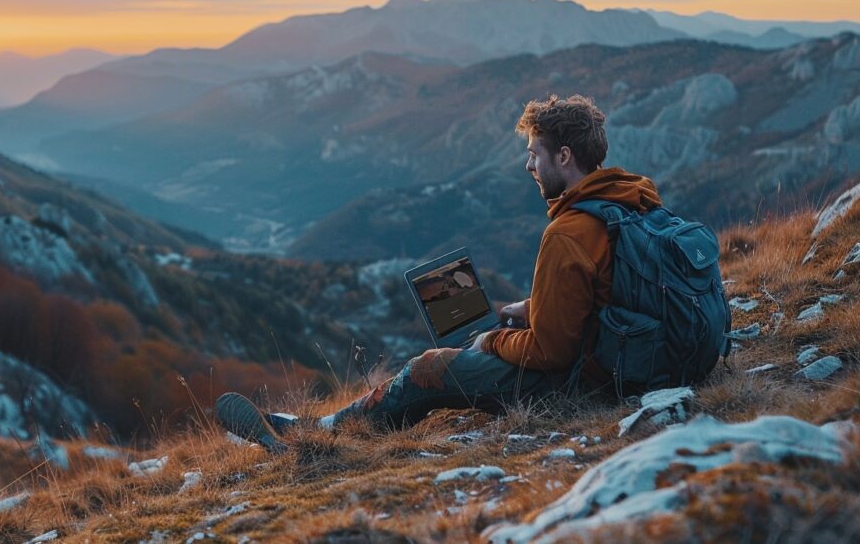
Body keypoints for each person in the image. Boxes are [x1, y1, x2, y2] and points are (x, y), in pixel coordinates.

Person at [216, 94, 662, 451]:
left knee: (426, 368)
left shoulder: (568, 233)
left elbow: (550, 354)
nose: (529, 166)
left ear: (564, 156)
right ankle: (324, 424)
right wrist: (535, 309)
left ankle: (316, 435)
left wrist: (493, 339)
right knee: (473, 340)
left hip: (583, 381)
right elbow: (608, 292)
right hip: (627, 357)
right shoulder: (630, 199)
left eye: (534, 155)